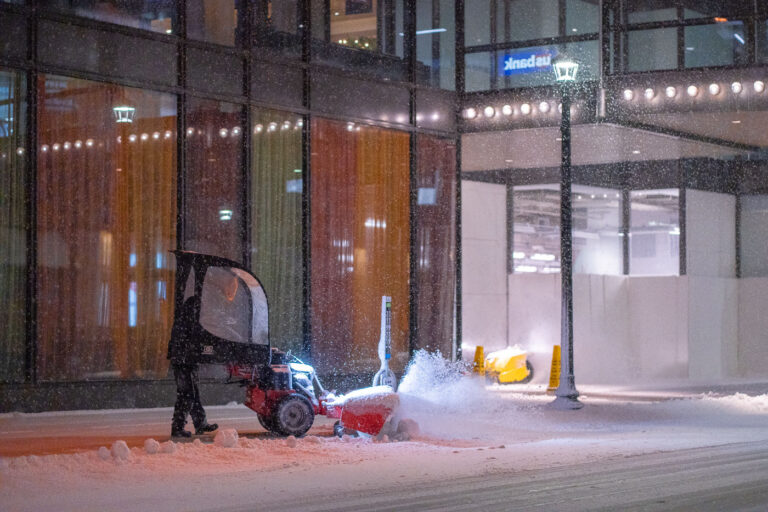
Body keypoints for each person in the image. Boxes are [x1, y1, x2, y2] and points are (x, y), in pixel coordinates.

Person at [167, 295, 218, 438]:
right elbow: (192, 341)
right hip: (184, 363)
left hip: (184, 362)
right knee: (187, 395)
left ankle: (200, 423)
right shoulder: (189, 323)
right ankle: (177, 428)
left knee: (192, 394)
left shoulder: (184, 320)